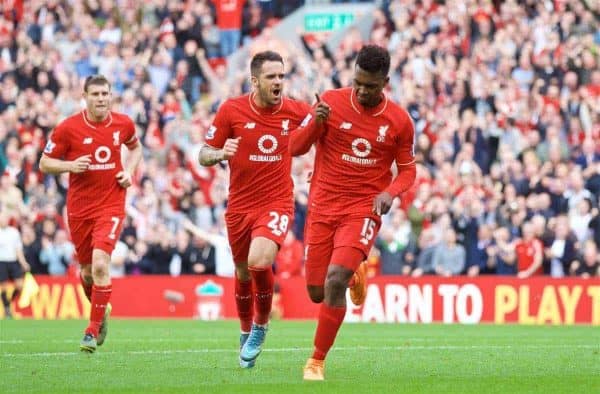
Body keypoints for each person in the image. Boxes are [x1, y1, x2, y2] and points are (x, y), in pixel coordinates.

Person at [289, 45, 416, 381]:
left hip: (362, 209)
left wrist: (390, 193)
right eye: (358, 82)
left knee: (334, 281)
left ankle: (316, 361)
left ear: (385, 82)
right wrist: (315, 124)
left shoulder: (400, 121)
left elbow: (407, 171)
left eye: (370, 86)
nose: (362, 90)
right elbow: (294, 148)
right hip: (322, 206)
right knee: (316, 292)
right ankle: (356, 271)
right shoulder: (329, 101)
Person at [197, 50, 312, 368]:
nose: (278, 82)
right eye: (272, 77)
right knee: (243, 272)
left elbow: (322, 131)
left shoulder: (295, 110)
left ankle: (261, 326)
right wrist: (220, 152)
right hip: (239, 206)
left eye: (281, 76)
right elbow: (203, 154)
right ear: (255, 81)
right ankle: (245, 329)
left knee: (259, 262)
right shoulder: (231, 111)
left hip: (276, 202)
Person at [39, 75, 143, 352]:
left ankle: (91, 331)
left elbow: (136, 147)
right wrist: (71, 165)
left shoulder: (123, 124)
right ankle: (102, 310)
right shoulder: (68, 128)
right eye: (95, 94)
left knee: (99, 264)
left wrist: (128, 172)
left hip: (111, 205)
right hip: (79, 209)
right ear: (84, 96)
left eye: (105, 94)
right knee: (86, 273)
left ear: (111, 96)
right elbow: (44, 163)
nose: (101, 99)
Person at [0, 208, 31, 318]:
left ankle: (9, 301)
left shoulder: (14, 232)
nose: (3, 220)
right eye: (2, 217)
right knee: (3, 287)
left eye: (5, 217)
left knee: (20, 285)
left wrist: (24, 263)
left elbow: (18, 250)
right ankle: (7, 309)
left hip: (13, 261)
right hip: (1, 262)